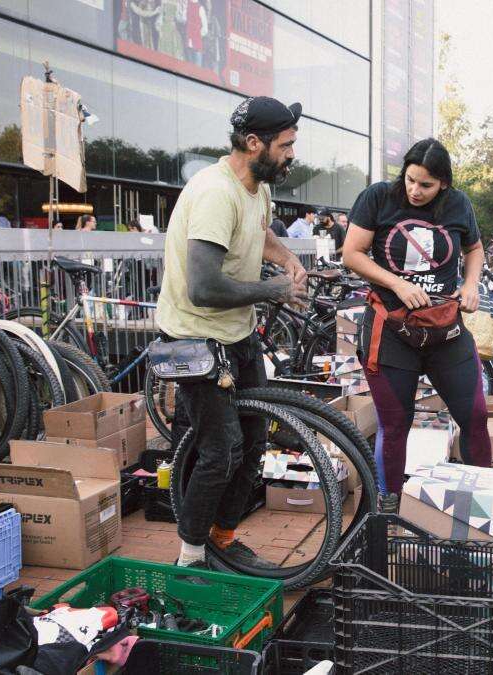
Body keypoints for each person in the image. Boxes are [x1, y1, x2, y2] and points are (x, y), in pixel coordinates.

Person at [156, 96, 310, 569]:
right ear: (253, 143)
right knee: (221, 453)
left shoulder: (256, 187)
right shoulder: (214, 193)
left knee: (254, 446)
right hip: (197, 337)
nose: (291, 154)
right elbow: (204, 288)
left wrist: (284, 258)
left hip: (236, 334)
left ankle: (222, 539)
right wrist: (274, 291)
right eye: (285, 145)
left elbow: (258, 232)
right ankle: (191, 555)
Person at [341, 138, 492, 513]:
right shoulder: (378, 197)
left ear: (443, 183)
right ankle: (387, 509)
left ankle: (485, 504)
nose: (415, 191)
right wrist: (397, 283)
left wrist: (471, 284)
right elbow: (351, 253)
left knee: (474, 415)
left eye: (426, 184)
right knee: (395, 425)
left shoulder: (458, 205)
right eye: (410, 180)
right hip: (391, 331)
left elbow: (474, 249)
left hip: (446, 331)